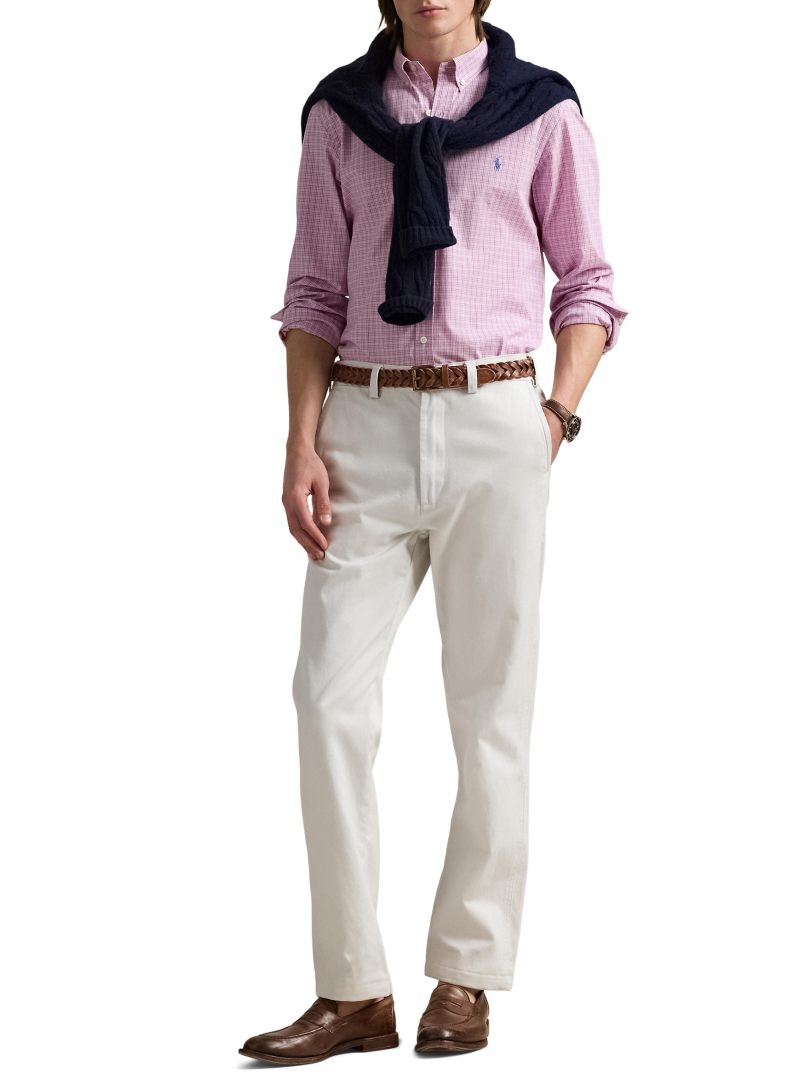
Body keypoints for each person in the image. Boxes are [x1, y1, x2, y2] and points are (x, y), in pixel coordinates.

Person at [239, 0, 628, 1064]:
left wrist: (555, 416)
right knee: (327, 700)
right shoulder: (339, 116)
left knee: (491, 706)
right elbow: (314, 291)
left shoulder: (541, 112)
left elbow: (589, 281)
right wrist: (300, 442)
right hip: (361, 425)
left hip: (497, 416)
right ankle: (353, 991)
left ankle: (466, 974)